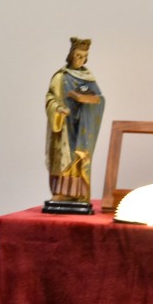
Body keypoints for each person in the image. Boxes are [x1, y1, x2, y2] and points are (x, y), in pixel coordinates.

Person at [45, 37, 105, 202]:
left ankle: (78, 193)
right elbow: (50, 98)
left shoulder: (87, 77)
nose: (81, 59)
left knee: (78, 157)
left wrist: (90, 100)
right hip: (65, 124)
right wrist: (58, 109)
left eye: (84, 56)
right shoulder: (61, 77)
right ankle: (62, 192)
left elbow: (98, 97)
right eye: (78, 56)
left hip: (81, 125)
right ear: (71, 55)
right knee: (64, 158)